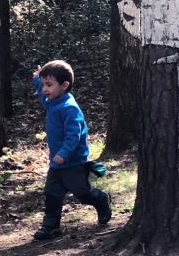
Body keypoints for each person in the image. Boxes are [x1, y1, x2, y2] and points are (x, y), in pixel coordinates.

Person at [31, 60, 112, 240]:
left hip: (73, 161)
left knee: (82, 193)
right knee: (52, 193)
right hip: (57, 162)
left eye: (49, 85)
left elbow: (74, 136)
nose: (45, 89)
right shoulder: (53, 101)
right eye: (44, 85)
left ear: (64, 85)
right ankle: (51, 226)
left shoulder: (69, 108)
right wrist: (38, 80)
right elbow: (43, 97)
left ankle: (101, 199)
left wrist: (64, 154)